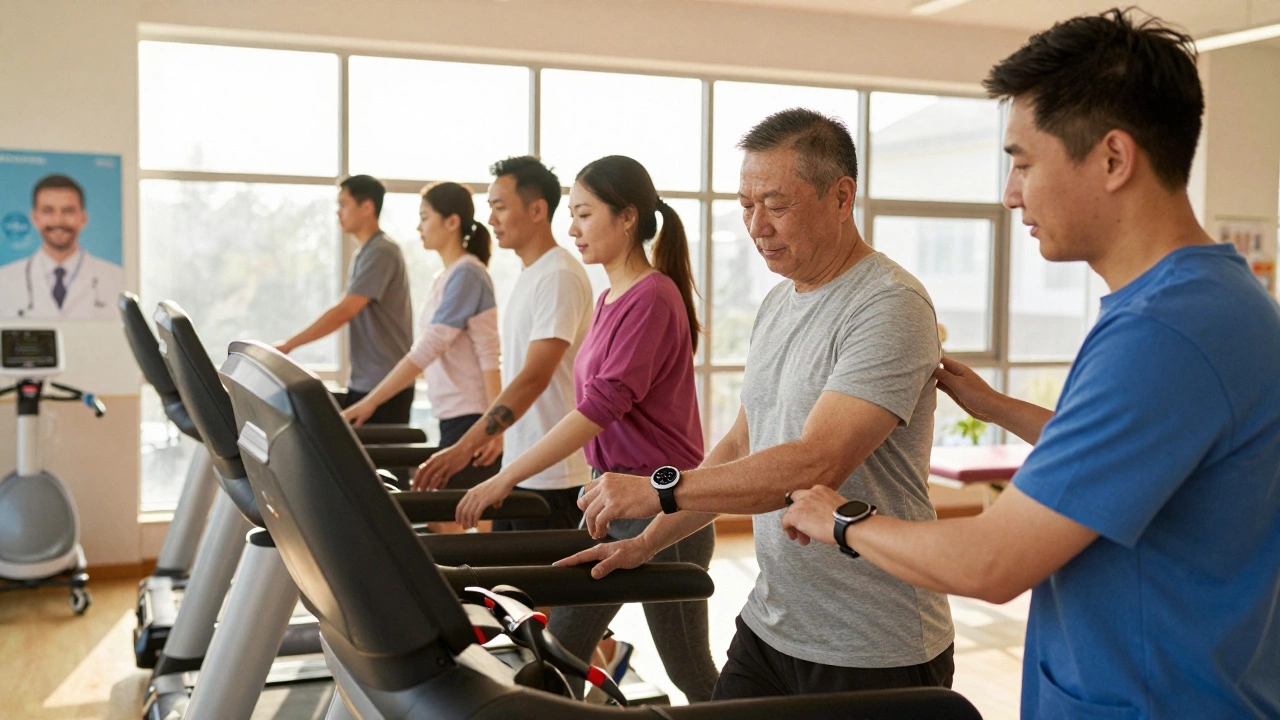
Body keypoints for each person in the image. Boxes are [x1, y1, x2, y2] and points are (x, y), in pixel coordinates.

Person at [780, 10, 1280, 720]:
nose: (1011, 193)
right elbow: (1146, 465)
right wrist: (999, 408)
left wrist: (841, 518)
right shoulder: (1212, 301)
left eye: (1023, 162)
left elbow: (991, 562)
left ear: (1113, 158)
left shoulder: (1165, 331)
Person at [560, 110, 955, 699]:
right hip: (773, 622)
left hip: (871, 641)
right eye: (746, 205)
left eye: (776, 204)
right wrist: (647, 540)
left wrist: (658, 489)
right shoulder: (777, 304)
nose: (757, 225)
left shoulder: (888, 305)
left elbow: (816, 465)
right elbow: (742, 444)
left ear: (842, 197)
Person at [450, 155, 718, 702]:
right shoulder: (607, 297)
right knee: (564, 652)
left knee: (690, 671)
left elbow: (600, 407)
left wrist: (505, 478)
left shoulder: (653, 296)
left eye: (584, 214)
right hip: (609, 502)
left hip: (661, 509)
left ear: (627, 217)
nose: (572, 228)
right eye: (571, 214)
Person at [414, 157, 593, 530]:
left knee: (534, 588)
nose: (490, 219)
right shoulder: (532, 274)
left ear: (537, 210)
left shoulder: (558, 274)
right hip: (522, 468)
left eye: (499, 207)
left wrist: (464, 448)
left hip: (555, 478)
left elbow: (534, 377)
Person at [340, 182, 502, 469]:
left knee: (452, 514)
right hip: (454, 415)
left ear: (452, 222)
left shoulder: (468, 274)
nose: (419, 227)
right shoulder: (447, 276)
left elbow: (438, 348)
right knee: (444, 513)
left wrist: (494, 426)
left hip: (470, 417)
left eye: (425, 217)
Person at [276, 175, 414, 423]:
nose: (338, 212)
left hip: (384, 385)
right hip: (367, 381)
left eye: (344, 204)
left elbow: (346, 310)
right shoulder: (367, 252)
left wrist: (289, 344)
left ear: (367, 207)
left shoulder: (381, 251)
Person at [0, 174, 123, 320]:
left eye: (68, 211)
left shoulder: (118, 278)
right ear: (34, 218)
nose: (58, 220)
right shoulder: (4, 279)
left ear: (83, 218)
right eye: (48, 211)